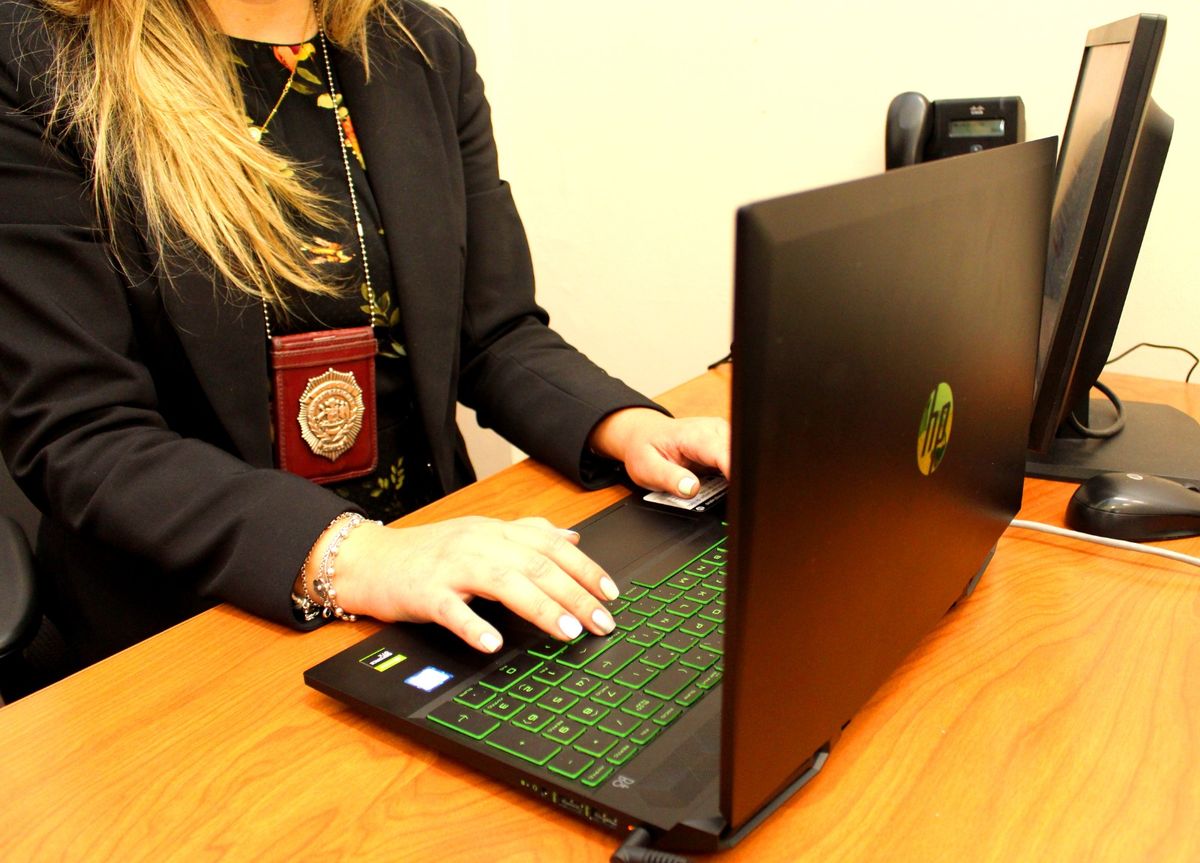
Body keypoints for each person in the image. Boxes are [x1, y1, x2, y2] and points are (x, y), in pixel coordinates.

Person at [0, 0, 729, 671]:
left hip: (433, 570)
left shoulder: (420, 44)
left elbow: (493, 332)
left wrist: (632, 428)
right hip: (194, 618)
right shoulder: (37, 59)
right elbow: (82, 433)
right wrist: (364, 557)